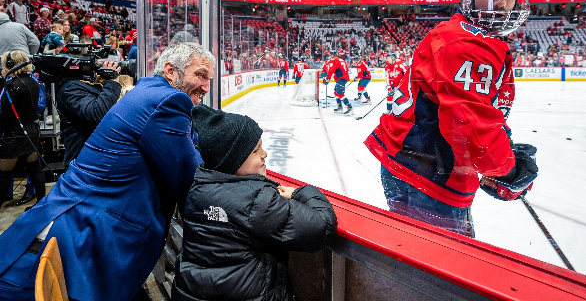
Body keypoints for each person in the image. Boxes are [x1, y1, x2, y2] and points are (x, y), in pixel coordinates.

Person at [0, 42, 215, 300]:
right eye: (200, 75)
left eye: (209, 79)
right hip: (80, 236)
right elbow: (188, 177)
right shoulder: (168, 101)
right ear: (170, 70)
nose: (206, 86)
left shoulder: (148, 90)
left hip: (73, 223)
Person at [364, 0, 539, 238]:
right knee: (443, 272)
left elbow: (474, 111)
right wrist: (506, 170)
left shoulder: (460, 32)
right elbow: (469, 126)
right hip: (428, 175)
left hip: (415, 165)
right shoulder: (468, 44)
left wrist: (502, 152)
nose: (503, 3)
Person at [171, 105, 337, 301]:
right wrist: (301, 192)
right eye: (256, 151)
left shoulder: (199, 189)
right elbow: (322, 226)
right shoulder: (256, 202)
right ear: (233, 160)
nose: (264, 154)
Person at [56, 56, 122, 169]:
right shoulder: (70, 88)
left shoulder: (85, 85)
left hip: (98, 161)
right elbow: (97, 114)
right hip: (84, 165)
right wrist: (111, 82)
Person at [0, 51, 46, 209]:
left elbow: (4, 114)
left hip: (14, 135)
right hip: (31, 131)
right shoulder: (34, 82)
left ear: (11, 64)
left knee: (3, 174)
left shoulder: (12, 85)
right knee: (34, 169)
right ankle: (41, 202)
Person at [326, 49, 352, 114]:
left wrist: (327, 78)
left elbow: (331, 70)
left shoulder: (334, 60)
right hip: (342, 78)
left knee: (340, 93)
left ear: (332, 55)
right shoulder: (341, 60)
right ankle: (340, 107)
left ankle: (350, 108)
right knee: (336, 92)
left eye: (330, 55)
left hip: (341, 78)